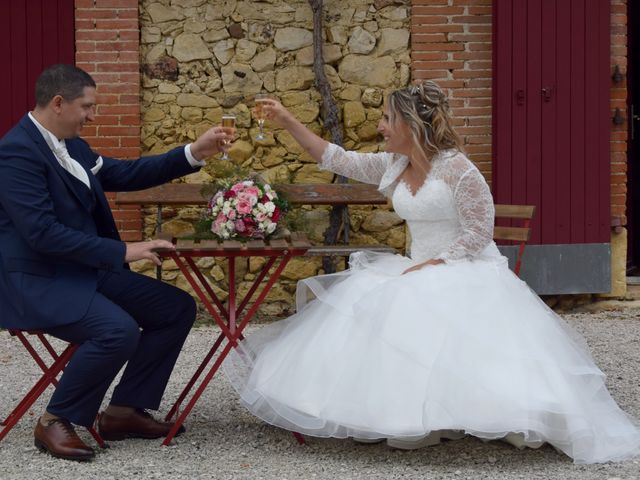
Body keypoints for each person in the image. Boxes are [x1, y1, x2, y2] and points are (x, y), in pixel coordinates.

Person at [222, 80, 640, 464]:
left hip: (465, 265)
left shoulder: (459, 170)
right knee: (379, 301)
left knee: (416, 303)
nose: (380, 125)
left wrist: (438, 263)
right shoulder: (393, 165)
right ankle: (394, 414)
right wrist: (288, 120)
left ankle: (493, 414)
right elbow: (336, 158)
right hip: (416, 264)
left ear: (409, 123)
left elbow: (480, 231)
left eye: (387, 119)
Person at [0, 64, 232, 461]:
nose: (93, 116)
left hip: (83, 272)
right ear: (58, 103)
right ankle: (55, 419)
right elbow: (41, 233)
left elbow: (126, 173)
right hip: (37, 281)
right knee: (117, 330)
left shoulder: (71, 144)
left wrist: (193, 153)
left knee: (174, 308)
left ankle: (123, 411)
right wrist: (123, 251)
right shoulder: (15, 153)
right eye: (87, 107)